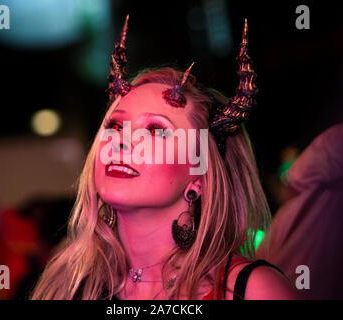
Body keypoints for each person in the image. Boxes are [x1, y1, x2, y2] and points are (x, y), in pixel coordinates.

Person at [31, 15, 298, 300]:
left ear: (199, 176)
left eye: (156, 130)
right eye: (116, 126)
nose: (122, 141)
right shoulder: (67, 285)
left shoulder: (253, 290)